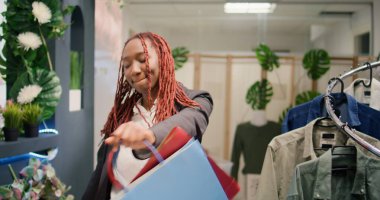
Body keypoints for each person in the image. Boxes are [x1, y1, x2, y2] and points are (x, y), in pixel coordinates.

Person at [83, 32, 213, 200]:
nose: (134, 71)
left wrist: (148, 136)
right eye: (126, 65)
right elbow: (99, 176)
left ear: (162, 58)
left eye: (142, 60)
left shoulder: (194, 101)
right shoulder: (121, 116)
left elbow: (192, 120)